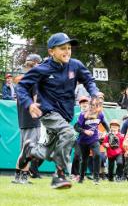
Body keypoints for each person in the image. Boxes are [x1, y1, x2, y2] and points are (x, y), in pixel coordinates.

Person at [16, 32, 101, 189]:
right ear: (51, 51)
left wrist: (94, 93)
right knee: (69, 133)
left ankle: (30, 152)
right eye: (62, 48)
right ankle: (59, 175)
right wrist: (29, 103)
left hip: (65, 114)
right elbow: (21, 86)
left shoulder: (75, 65)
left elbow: (89, 80)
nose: (67, 51)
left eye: (69, 48)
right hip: (47, 112)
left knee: (48, 153)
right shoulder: (42, 69)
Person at [12, 54, 43, 184]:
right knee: (29, 150)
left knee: (23, 150)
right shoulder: (33, 81)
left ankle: (17, 176)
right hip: (32, 119)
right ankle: (24, 177)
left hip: (23, 120)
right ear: (36, 64)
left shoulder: (21, 81)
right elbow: (36, 101)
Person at [75, 97, 110, 185]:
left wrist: (108, 133)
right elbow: (76, 127)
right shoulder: (83, 115)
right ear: (90, 105)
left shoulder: (100, 114)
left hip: (94, 139)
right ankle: (81, 178)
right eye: (93, 105)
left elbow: (105, 124)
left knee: (97, 155)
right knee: (84, 160)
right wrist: (85, 131)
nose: (94, 107)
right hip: (83, 140)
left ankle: (96, 179)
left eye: (96, 105)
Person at [70, 96, 90, 181]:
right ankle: (74, 174)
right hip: (73, 138)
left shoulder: (91, 115)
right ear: (79, 105)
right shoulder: (75, 114)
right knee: (77, 155)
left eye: (86, 102)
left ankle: (82, 174)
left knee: (84, 157)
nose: (84, 104)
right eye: (82, 103)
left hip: (85, 138)